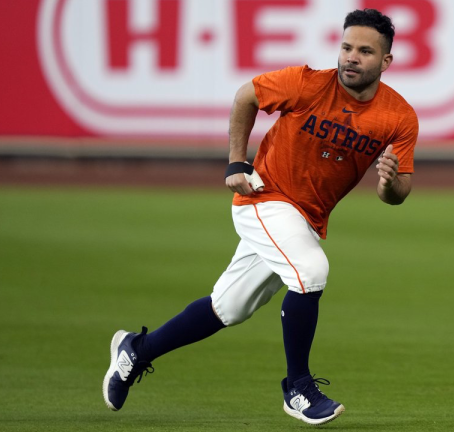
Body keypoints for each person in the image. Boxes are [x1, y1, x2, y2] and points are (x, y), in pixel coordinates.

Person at [102, 8, 418, 426]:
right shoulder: (307, 83)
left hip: (304, 218)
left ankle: (136, 352)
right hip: (264, 199)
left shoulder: (398, 116)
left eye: (364, 50)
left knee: (226, 309)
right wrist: (236, 162)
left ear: (386, 61)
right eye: (346, 47)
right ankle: (299, 387)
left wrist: (388, 183)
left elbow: (397, 194)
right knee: (311, 270)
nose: (351, 57)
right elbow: (246, 95)